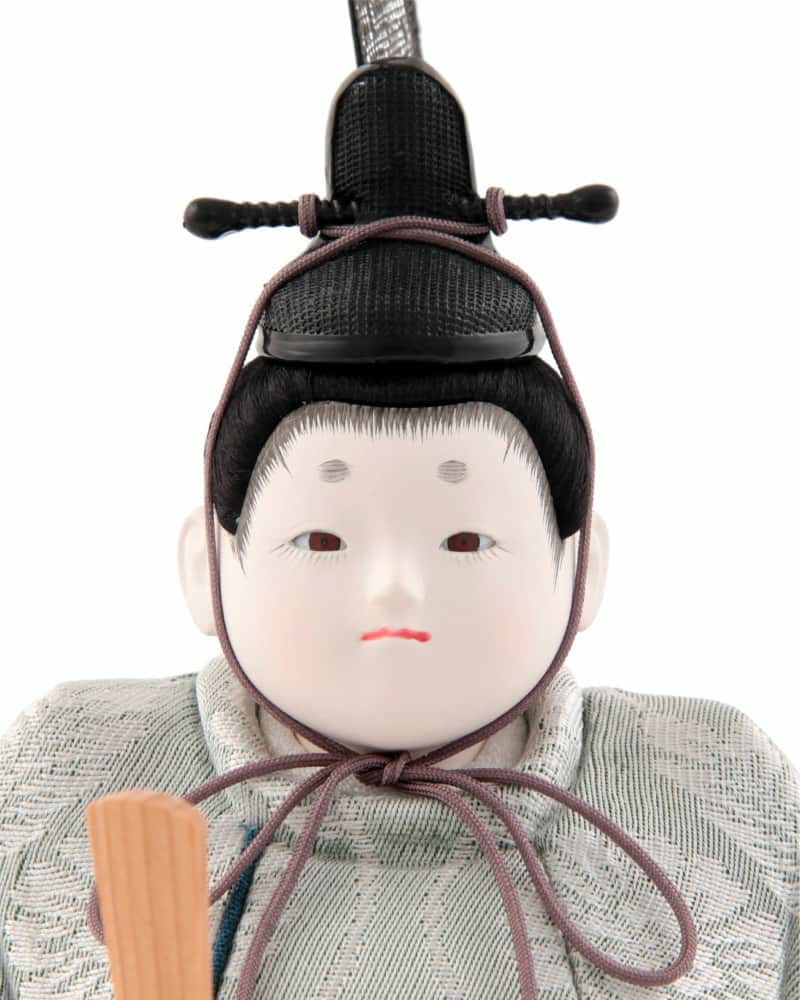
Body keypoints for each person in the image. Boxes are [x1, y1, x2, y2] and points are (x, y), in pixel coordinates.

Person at [1, 7, 798, 999]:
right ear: (207, 570)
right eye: (320, 537)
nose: (393, 587)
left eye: (465, 538)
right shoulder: (77, 770)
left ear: (581, 568)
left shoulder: (710, 786)